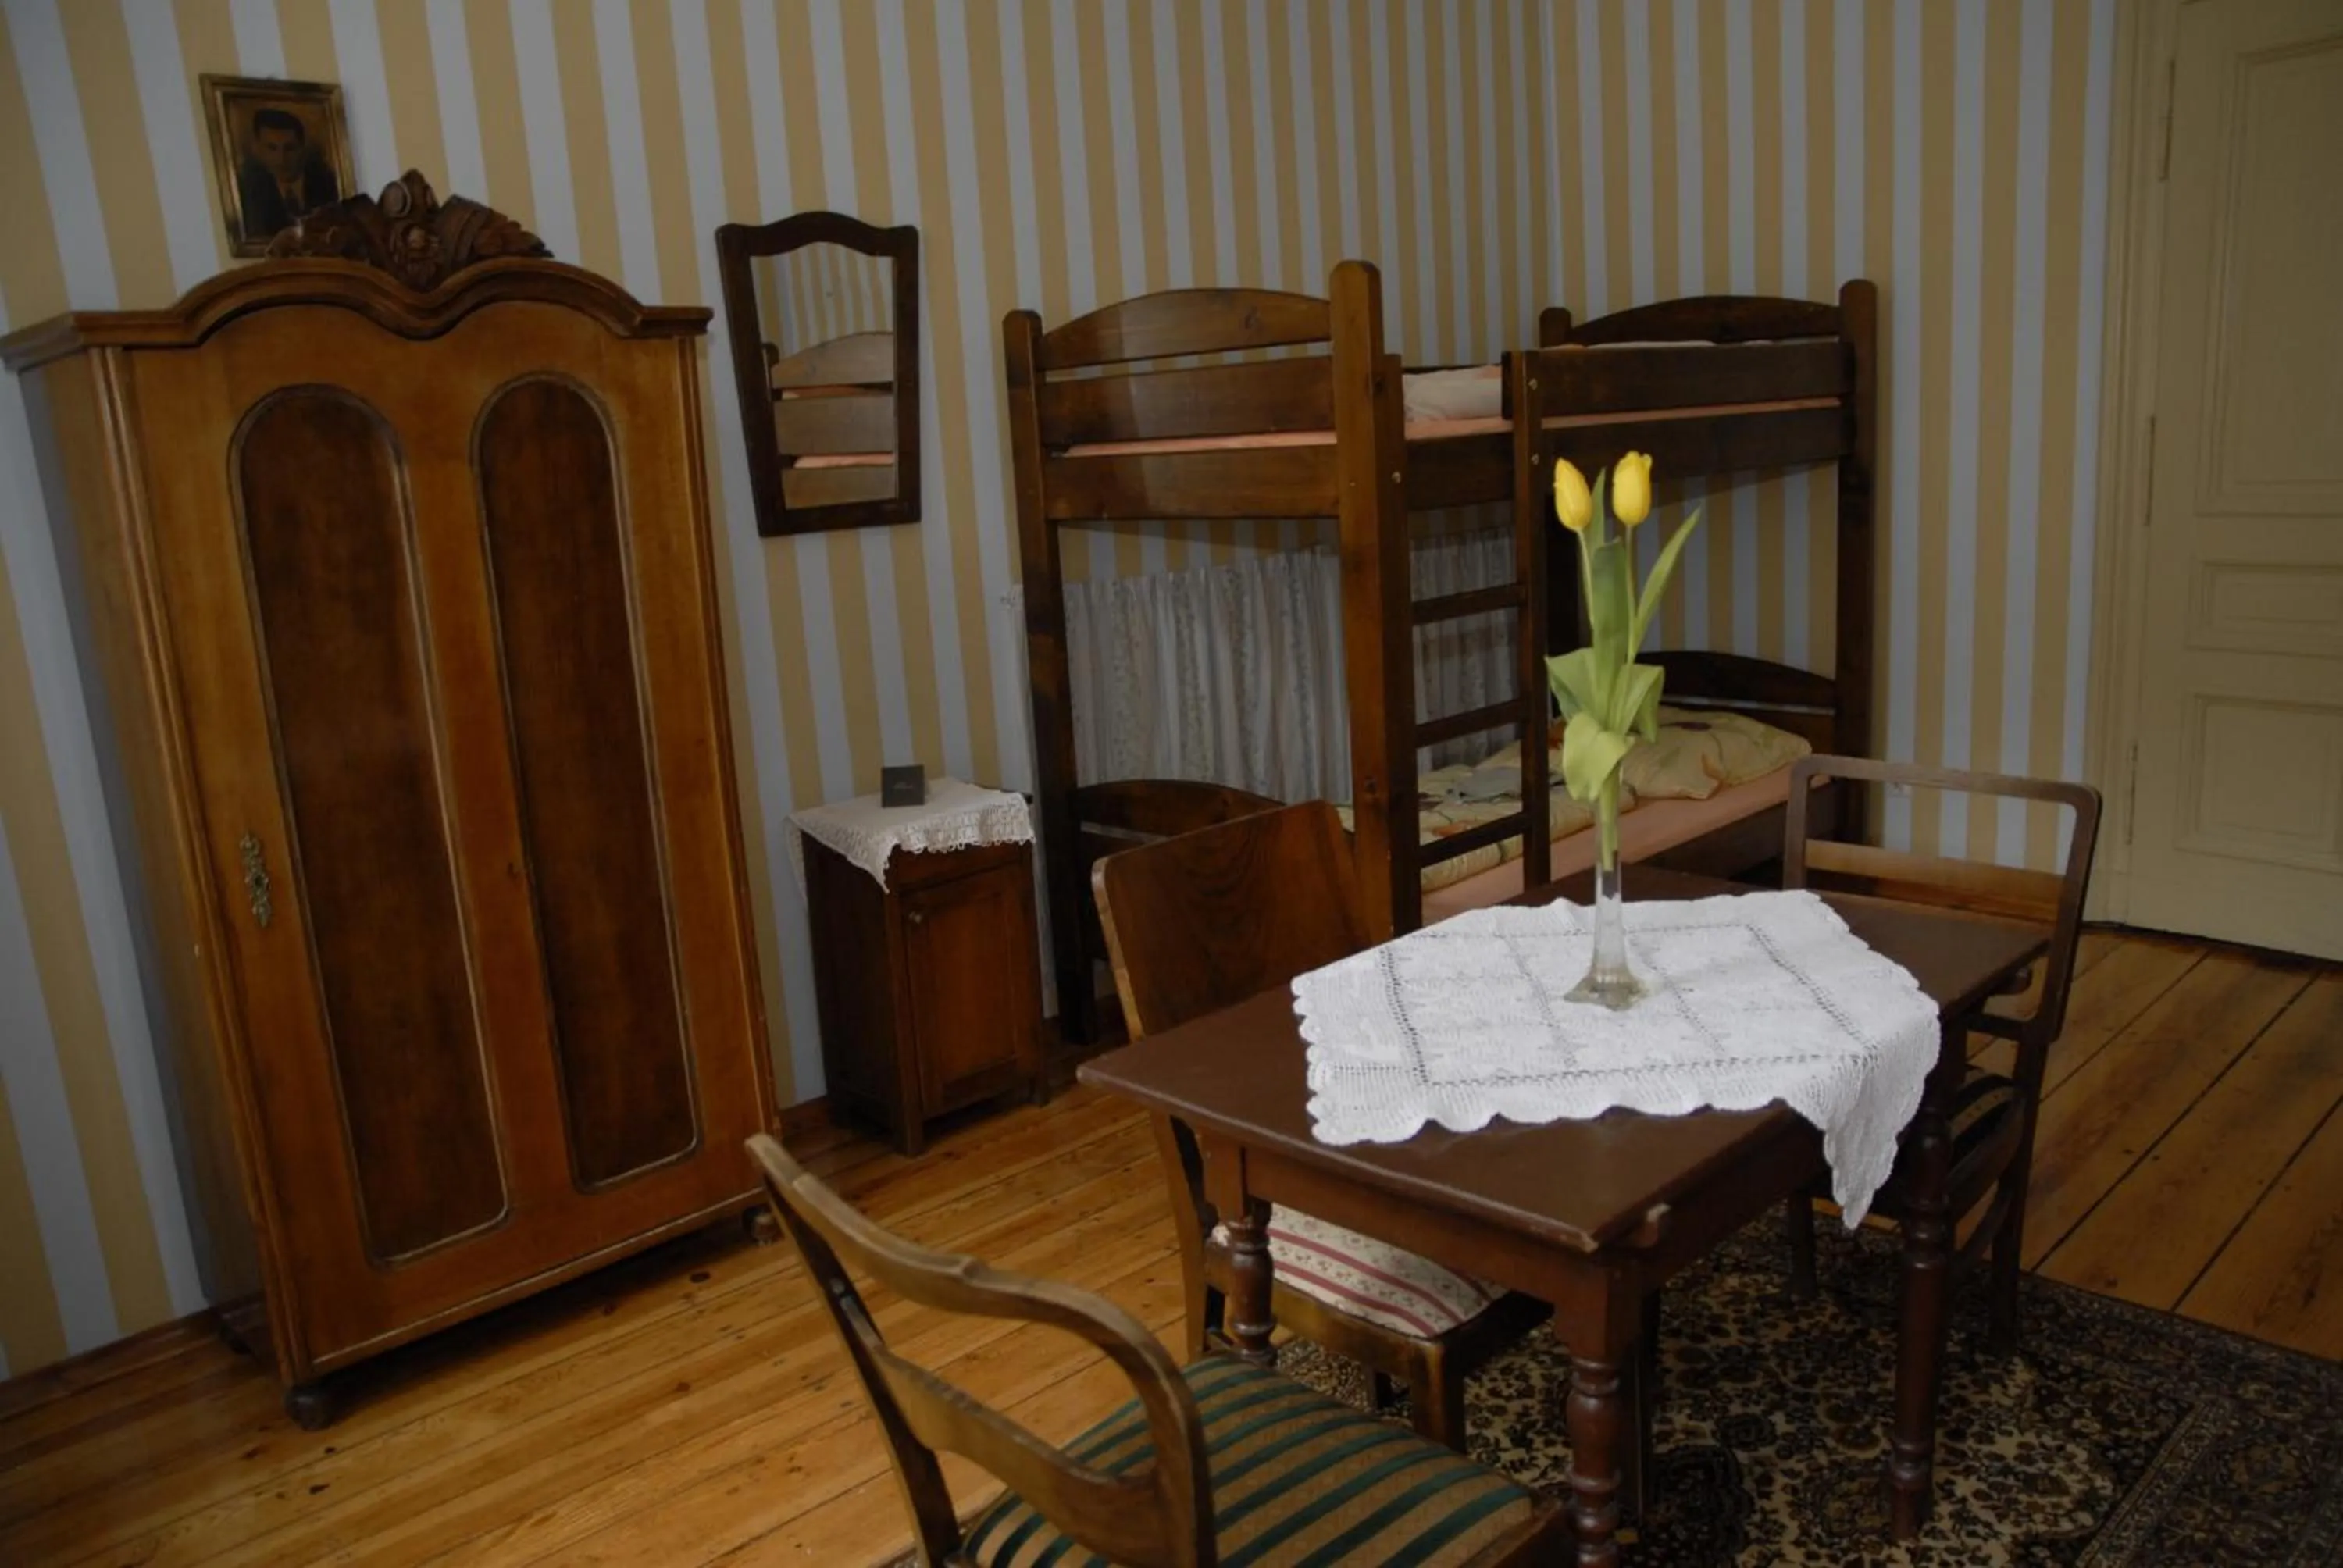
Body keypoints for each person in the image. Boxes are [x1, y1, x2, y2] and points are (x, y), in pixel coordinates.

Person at [236, 107, 339, 239]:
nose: (281, 159)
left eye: (290, 149)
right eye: (272, 148)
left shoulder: (328, 184)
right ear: (258, 149)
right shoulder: (248, 192)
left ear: (302, 148)